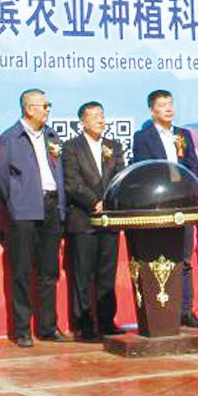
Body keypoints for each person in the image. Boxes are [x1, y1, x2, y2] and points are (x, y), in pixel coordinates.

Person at [0, 88, 69, 347]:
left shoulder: (52, 136)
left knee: (49, 271)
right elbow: (1, 179)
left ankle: (48, 326)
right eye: (43, 105)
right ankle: (23, 329)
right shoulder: (10, 138)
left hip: (51, 206)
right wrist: (16, 202)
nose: (47, 110)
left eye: (49, 105)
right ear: (28, 108)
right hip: (24, 211)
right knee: (23, 271)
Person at [131, 89, 198, 328]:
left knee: (184, 259)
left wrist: (188, 189)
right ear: (152, 110)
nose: (168, 108)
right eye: (162, 105)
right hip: (159, 205)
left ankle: (186, 310)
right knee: (160, 257)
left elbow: (192, 165)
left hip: (183, 203)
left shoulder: (183, 134)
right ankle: (163, 312)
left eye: (170, 103)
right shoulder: (143, 137)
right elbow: (145, 169)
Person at [62, 101, 126, 341]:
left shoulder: (113, 146)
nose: (101, 120)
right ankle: (83, 324)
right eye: (95, 116)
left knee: (106, 274)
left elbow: (120, 177)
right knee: (83, 274)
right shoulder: (71, 147)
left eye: (102, 115)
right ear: (83, 121)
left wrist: (109, 202)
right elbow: (72, 182)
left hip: (109, 220)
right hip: (83, 219)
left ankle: (107, 321)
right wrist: (93, 202)